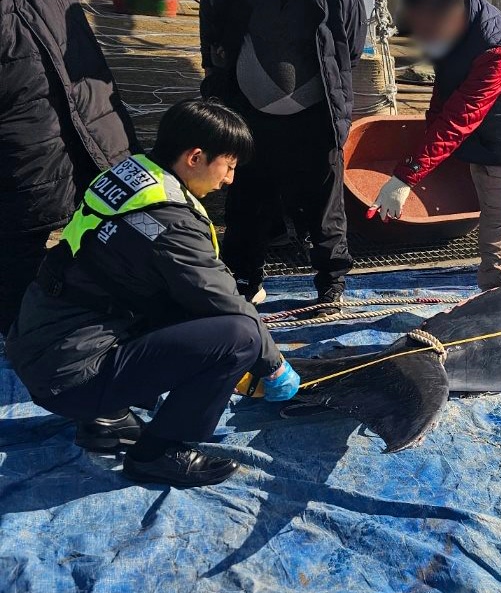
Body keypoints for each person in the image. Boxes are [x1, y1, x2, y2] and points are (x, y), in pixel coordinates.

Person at [5, 100, 299, 487]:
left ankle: (103, 420)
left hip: (39, 345)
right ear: (196, 157)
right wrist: (274, 365)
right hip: (70, 374)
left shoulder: (132, 176)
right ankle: (158, 454)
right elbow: (225, 301)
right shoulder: (169, 221)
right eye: (228, 166)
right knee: (239, 335)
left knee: (189, 310)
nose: (229, 179)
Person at [202, 0, 364, 312]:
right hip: (250, 116)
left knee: (326, 208)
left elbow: (353, 52)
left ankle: (331, 284)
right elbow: (219, 36)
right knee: (246, 202)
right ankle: (244, 278)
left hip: (315, 120)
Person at [0, 0, 139, 332]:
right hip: (21, 112)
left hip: (82, 97)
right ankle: (19, 330)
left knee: (108, 210)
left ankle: (91, 303)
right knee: (24, 228)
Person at [371, 0, 501, 290]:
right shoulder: (453, 26)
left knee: (499, 241)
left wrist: (406, 176)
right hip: (485, 143)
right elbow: (443, 93)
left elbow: (458, 118)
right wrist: (424, 160)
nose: (423, 35)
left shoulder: (496, 51)